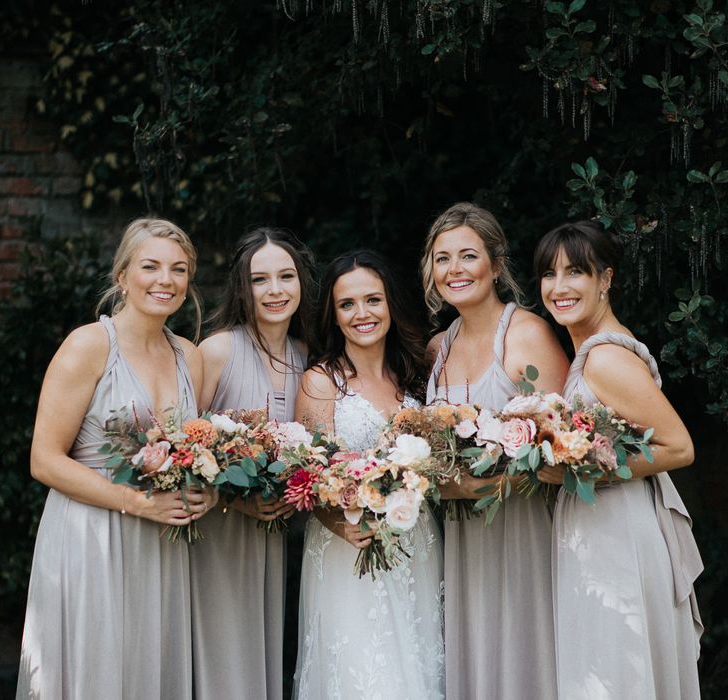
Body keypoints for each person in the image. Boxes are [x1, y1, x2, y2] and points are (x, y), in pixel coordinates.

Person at [16, 218, 213, 699]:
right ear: (122, 276)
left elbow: (194, 449)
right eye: (150, 266)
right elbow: (44, 459)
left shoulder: (190, 355)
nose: (165, 280)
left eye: (178, 270)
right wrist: (138, 503)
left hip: (162, 545)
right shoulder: (87, 345)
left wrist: (203, 488)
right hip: (92, 537)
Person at [534, 220, 702, 699]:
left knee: (613, 668)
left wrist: (582, 470)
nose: (559, 287)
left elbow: (678, 447)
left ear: (605, 279)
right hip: (596, 525)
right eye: (549, 274)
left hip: (616, 534)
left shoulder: (606, 358)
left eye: (576, 273)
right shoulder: (590, 351)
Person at [423, 202, 568, 700]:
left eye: (468, 256)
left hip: (523, 529)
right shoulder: (436, 348)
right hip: (462, 536)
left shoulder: (527, 334)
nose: (455, 270)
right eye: (443, 259)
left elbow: (561, 453)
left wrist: (481, 482)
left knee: (526, 657)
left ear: (496, 264)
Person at [292, 249, 444, 700]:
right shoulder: (322, 382)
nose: (363, 314)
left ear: (390, 304)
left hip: (416, 545)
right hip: (350, 548)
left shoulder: (416, 373)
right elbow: (311, 480)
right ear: (334, 316)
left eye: (373, 300)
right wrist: (342, 524)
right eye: (347, 304)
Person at [189, 227, 316, 700]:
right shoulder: (217, 350)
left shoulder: (308, 357)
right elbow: (186, 451)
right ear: (243, 287)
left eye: (286, 276)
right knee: (220, 659)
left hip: (275, 538)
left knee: (261, 657)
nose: (276, 290)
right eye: (261, 279)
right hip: (215, 533)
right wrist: (234, 502)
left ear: (301, 282)